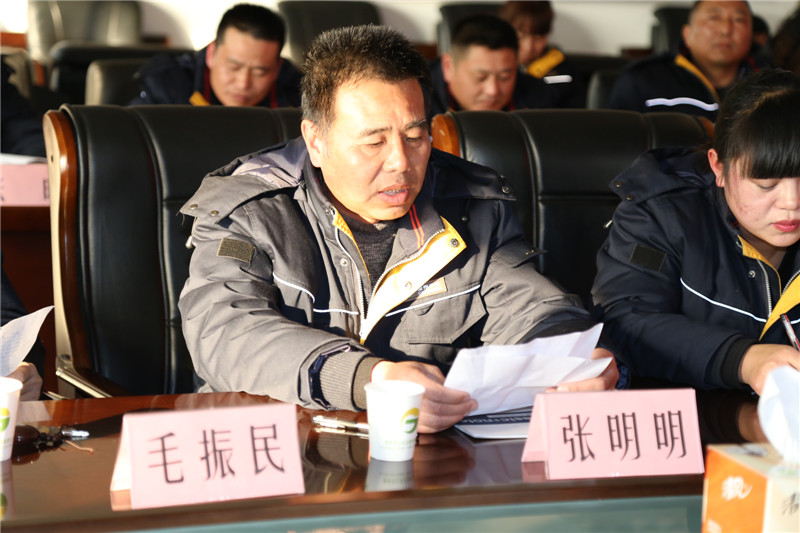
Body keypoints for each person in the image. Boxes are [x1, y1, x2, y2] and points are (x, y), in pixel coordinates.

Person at [179, 25, 618, 434]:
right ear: (316, 141)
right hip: (280, 453)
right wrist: (367, 377)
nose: (401, 163)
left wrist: (573, 355)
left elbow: (529, 306)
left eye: (415, 136)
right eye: (374, 142)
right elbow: (224, 331)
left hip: (425, 462)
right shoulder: (248, 210)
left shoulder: (469, 207)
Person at [592, 69, 800, 395]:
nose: (791, 202)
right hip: (692, 416)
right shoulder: (662, 214)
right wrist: (743, 359)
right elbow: (627, 319)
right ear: (719, 167)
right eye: (766, 184)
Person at [608, 1, 759, 121]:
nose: (726, 30)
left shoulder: (767, 83)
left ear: (751, 35)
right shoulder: (641, 81)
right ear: (687, 34)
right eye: (714, 18)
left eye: (739, 20)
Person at [129, 3, 301, 107]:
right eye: (234, 67)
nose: (243, 83)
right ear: (211, 54)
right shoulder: (167, 86)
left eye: (259, 72)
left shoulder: (299, 94)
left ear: (277, 68)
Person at [429, 14, 558, 119]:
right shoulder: (420, 102)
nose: (493, 90)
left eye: (505, 77)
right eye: (481, 77)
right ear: (448, 66)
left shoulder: (538, 101)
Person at [498, 1, 582, 108]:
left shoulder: (563, 71)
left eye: (538, 38)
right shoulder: (492, 65)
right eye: (520, 37)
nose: (528, 47)